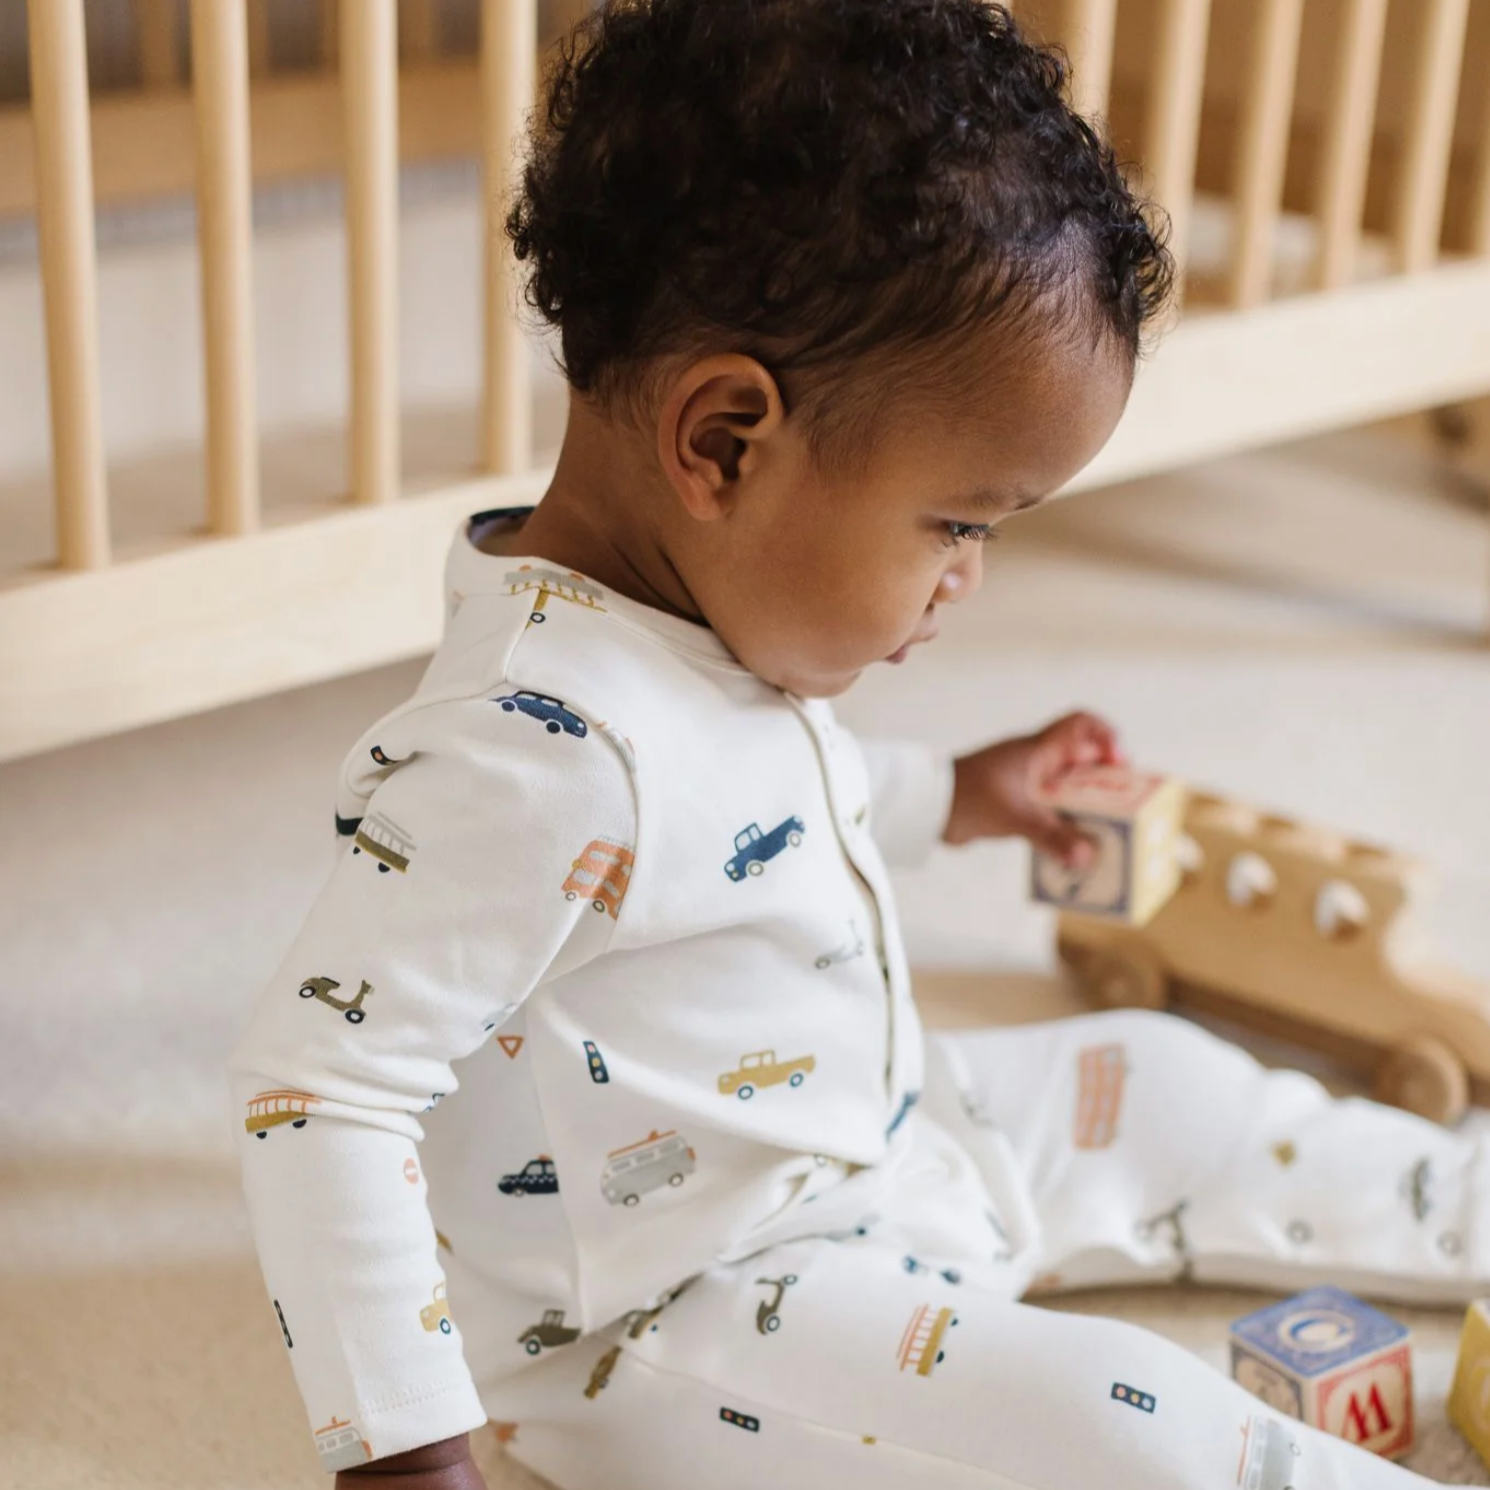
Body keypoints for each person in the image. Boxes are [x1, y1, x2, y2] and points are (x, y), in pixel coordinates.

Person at [226, 4, 1485, 1487]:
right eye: (957, 521)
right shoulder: (519, 753)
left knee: (1164, 1078)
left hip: (883, 1135)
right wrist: (406, 1452)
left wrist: (957, 794)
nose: (968, 575)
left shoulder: (679, 618)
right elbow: (322, 1089)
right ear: (723, 443)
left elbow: (741, 819)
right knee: (1121, 1418)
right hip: (688, 1312)